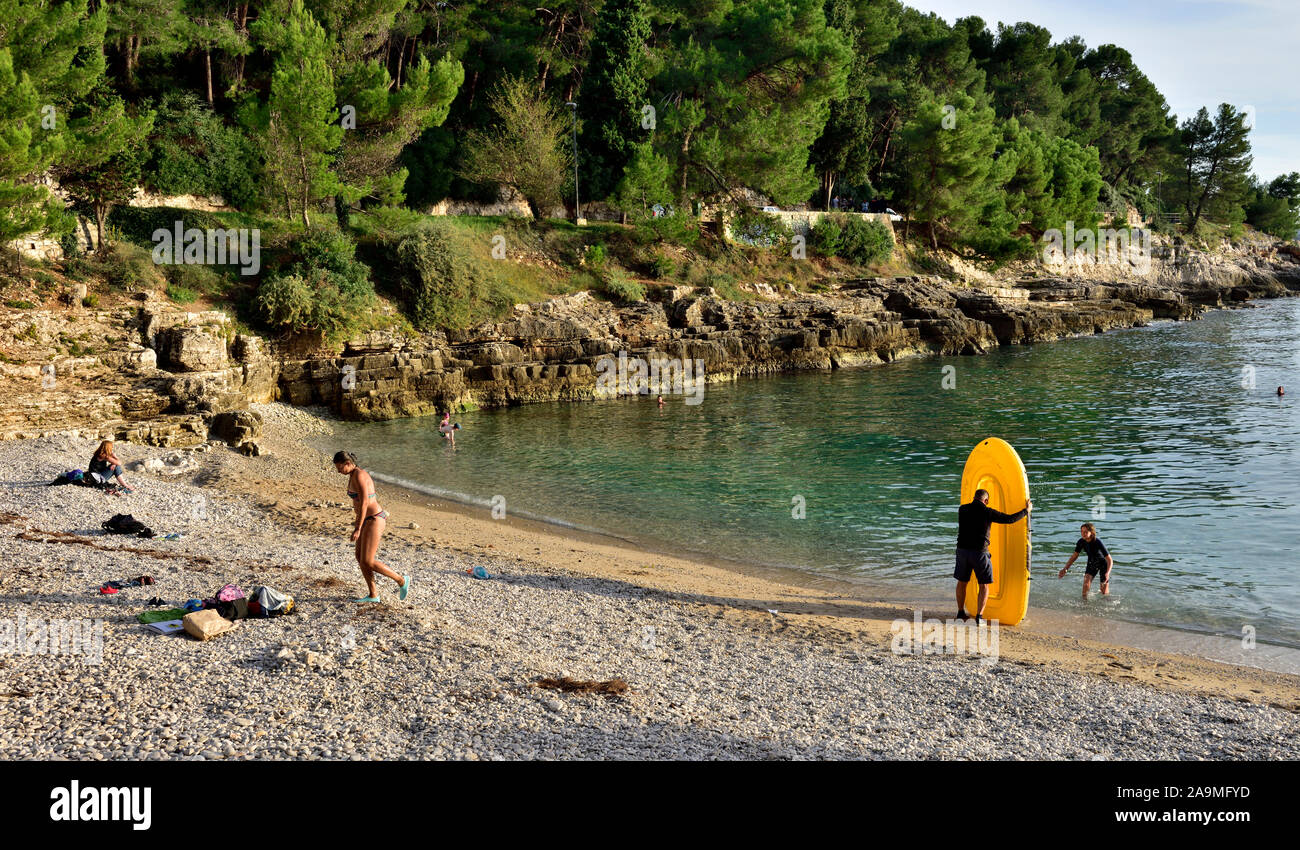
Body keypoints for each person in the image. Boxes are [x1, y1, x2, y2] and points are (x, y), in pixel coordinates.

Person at [333, 451, 410, 603]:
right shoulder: (352, 475)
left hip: (374, 519)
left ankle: (401, 580)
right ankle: (373, 595)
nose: (338, 471)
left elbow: (364, 503)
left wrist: (358, 528)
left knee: (368, 561)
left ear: (348, 463)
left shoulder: (360, 475)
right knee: (360, 558)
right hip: (366, 519)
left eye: (340, 467)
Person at [954, 489, 1031, 624]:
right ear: (986, 501)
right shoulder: (988, 512)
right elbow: (1009, 519)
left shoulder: (962, 509)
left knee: (962, 582)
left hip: (962, 551)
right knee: (984, 585)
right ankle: (979, 617)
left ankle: (960, 612)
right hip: (979, 553)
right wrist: (1026, 511)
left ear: (974, 498)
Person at [1059, 522, 1112, 598]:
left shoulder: (1097, 542)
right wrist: (1065, 568)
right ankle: (1084, 604)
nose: (1083, 534)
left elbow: (1109, 559)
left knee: (1104, 591)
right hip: (1092, 563)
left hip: (1104, 564)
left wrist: (1108, 572)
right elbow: (1074, 556)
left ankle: (1106, 604)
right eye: (1082, 532)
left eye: (1085, 532)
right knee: (1086, 582)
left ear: (1091, 532)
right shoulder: (1081, 542)